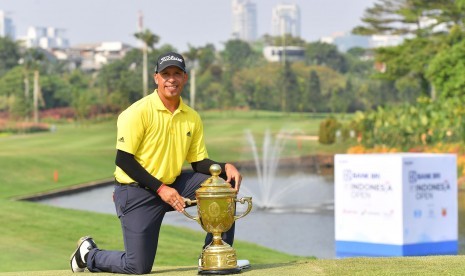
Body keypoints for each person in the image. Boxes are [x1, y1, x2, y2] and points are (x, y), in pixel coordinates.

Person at [70, 52, 249, 274]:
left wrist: (225, 167)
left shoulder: (191, 116)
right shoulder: (137, 112)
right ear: (156, 78)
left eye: (176, 73)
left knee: (221, 186)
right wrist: (161, 189)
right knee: (137, 266)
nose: (171, 79)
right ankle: (89, 255)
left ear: (185, 78)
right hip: (136, 191)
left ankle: (214, 256)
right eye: (166, 74)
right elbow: (123, 160)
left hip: (174, 184)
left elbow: (198, 162)